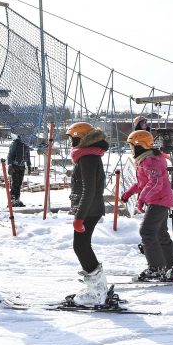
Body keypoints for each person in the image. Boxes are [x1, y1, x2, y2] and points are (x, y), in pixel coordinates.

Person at [121, 129, 173, 282]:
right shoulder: (146, 159)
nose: (131, 149)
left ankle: (156, 268)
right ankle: (170, 266)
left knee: (146, 231)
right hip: (160, 199)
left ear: (140, 145)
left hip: (159, 200)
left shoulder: (150, 160)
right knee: (160, 233)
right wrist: (129, 193)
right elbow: (144, 182)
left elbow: (156, 183)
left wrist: (142, 199)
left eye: (132, 145)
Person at [63, 122, 111, 305]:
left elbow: (89, 189)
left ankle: (97, 292)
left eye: (72, 138)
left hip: (89, 210)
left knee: (81, 247)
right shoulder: (88, 156)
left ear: (80, 137)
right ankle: (99, 288)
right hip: (90, 208)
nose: (71, 142)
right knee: (82, 246)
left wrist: (79, 217)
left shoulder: (88, 158)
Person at [7, 135, 31, 207]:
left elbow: (28, 156)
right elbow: (10, 154)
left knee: (19, 184)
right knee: (15, 184)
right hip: (15, 166)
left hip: (22, 166)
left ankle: (17, 199)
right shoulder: (15, 143)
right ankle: (12, 201)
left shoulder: (26, 145)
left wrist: (29, 166)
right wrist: (10, 165)